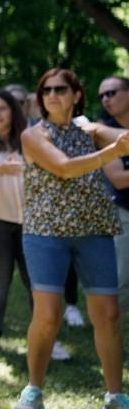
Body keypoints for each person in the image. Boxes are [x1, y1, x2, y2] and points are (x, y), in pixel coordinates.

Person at [13, 69, 129, 409]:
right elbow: (63, 168)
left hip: (94, 230)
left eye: (60, 89)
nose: (51, 94)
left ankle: (115, 396)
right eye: (45, 89)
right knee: (48, 315)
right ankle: (33, 390)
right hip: (46, 234)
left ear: (76, 94)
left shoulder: (90, 130)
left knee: (108, 315)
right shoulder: (33, 135)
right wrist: (112, 150)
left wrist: (111, 138)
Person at [0, 89, 70, 358]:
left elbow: (55, 168)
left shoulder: (31, 137)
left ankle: (49, 339)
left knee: (38, 282)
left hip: (32, 221)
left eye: (3, 108)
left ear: (14, 110)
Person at [96, 75, 129, 313]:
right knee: (122, 279)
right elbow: (118, 179)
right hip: (124, 212)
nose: (106, 99)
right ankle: (115, 339)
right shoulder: (103, 134)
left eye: (111, 92)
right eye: (102, 96)